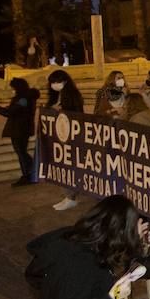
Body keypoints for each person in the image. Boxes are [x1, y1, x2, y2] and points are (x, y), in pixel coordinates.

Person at [47, 70, 85, 211]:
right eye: (53, 82)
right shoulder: (57, 95)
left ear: (65, 81)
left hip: (71, 137)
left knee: (70, 167)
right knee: (62, 167)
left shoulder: (72, 96)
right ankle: (67, 196)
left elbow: (76, 114)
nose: (55, 85)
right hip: (60, 136)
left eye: (58, 82)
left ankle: (71, 197)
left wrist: (60, 111)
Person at [0, 76, 39, 186]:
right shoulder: (26, 98)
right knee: (22, 152)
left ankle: (27, 175)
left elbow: (10, 112)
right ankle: (33, 170)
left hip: (19, 130)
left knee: (21, 153)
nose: (12, 90)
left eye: (13, 88)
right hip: (23, 129)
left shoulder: (23, 99)